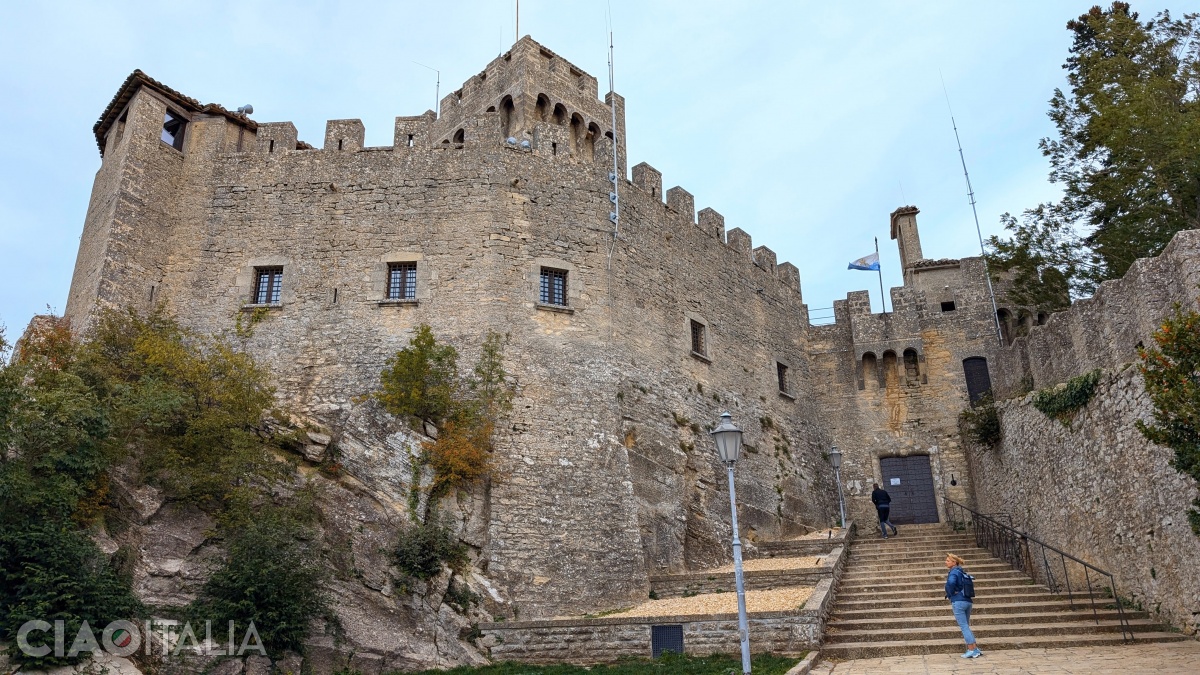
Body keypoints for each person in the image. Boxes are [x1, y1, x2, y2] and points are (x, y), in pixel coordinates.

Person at [945, 553, 982, 658]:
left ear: (954, 562)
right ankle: (974, 648)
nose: (946, 562)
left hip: (958, 601)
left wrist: (950, 594)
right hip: (967, 601)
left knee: (964, 626)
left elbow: (951, 583)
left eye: (948, 560)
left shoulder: (953, 572)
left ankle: (971, 650)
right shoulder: (961, 571)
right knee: (966, 625)